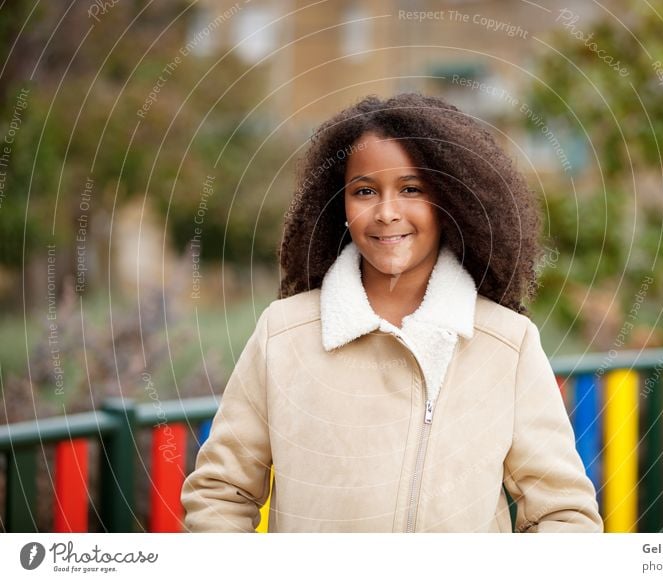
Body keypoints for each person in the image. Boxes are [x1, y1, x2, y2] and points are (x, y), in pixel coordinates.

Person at [180, 93, 603, 533]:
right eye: (364, 191)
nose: (386, 212)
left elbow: (563, 514)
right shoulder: (283, 335)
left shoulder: (508, 344)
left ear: (451, 202)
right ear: (338, 204)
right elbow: (221, 494)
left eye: (411, 189)